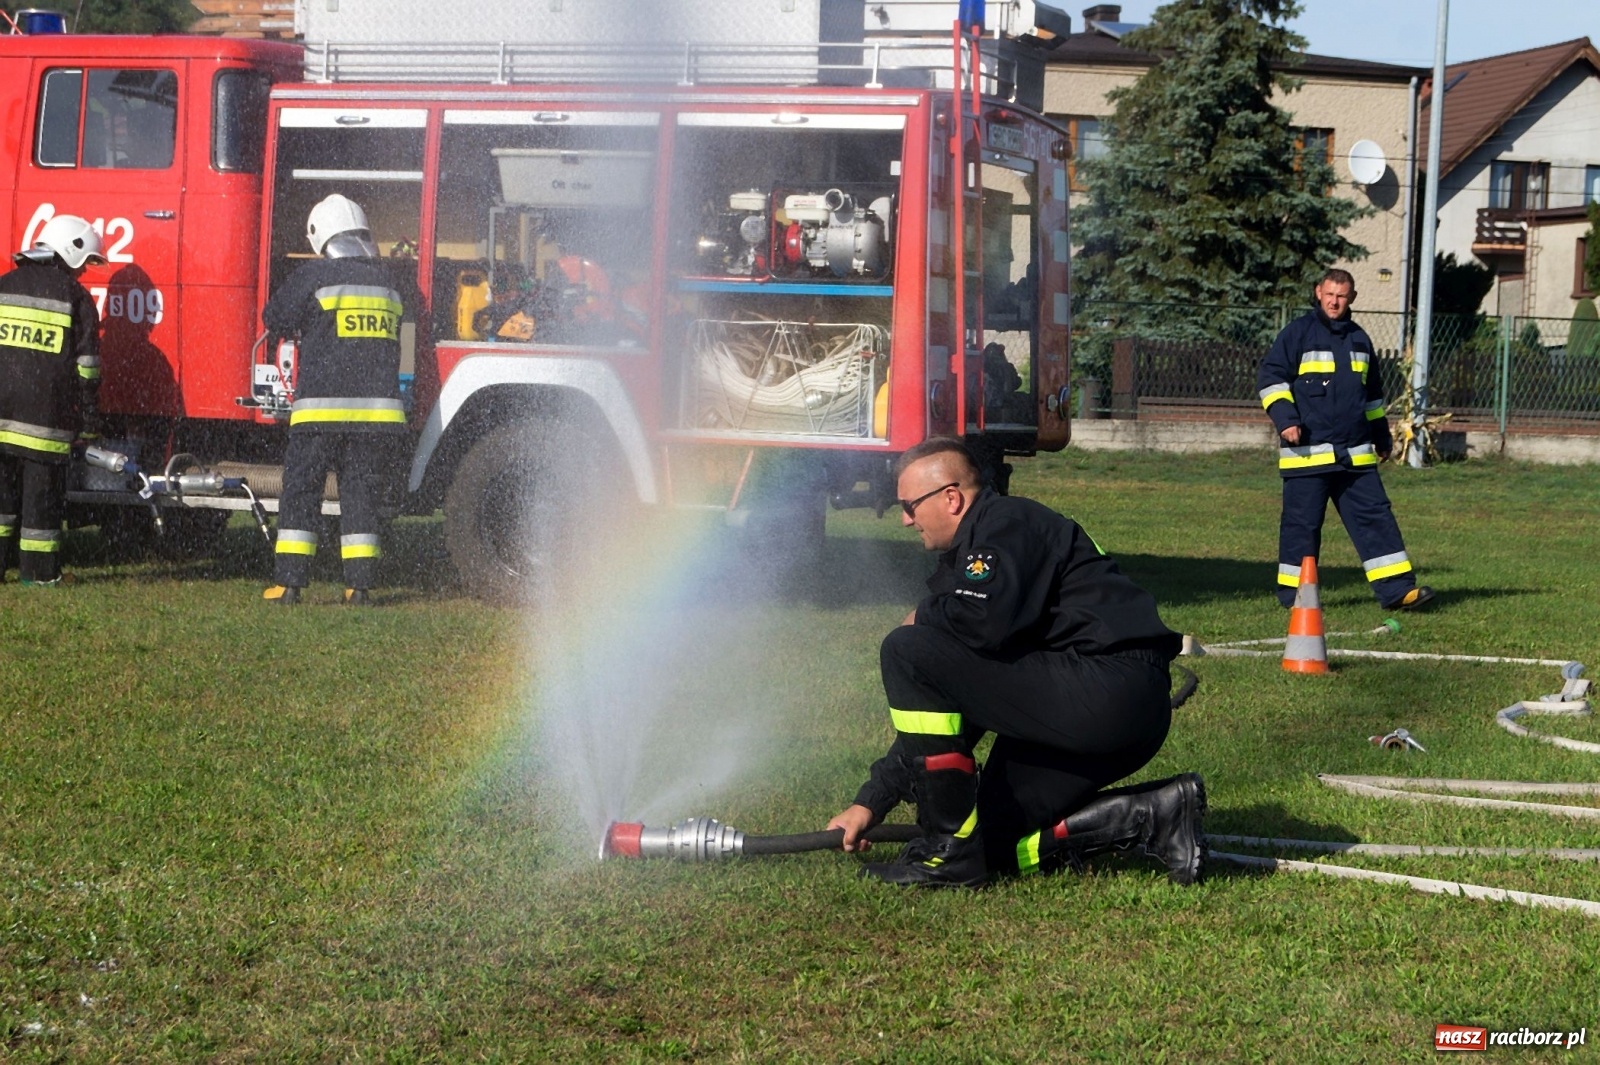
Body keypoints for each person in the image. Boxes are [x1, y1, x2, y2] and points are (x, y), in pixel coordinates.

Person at [825, 438, 1205, 889]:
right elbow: (955, 698)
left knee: (906, 648)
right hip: (1106, 706)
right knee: (989, 844)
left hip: (1104, 688)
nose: (905, 519)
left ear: (951, 498)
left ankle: (948, 852)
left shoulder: (1003, 525)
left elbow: (975, 629)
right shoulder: (984, 546)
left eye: (909, 505)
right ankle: (1152, 814)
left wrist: (922, 617)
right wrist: (871, 802)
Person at [1257, 269, 1434, 611]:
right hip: (1307, 456)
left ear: (1352, 297)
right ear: (1318, 293)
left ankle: (1398, 591)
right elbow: (1271, 379)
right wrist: (1286, 420)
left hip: (1355, 457)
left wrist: (1381, 436)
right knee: (1301, 529)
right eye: (1329, 294)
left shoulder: (1360, 340)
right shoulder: (1297, 334)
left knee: (1377, 520)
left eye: (1341, 296)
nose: (1335, 302)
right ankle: (1296, 598)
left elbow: (1372, 397)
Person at [261, 194, 406, 606]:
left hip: (320, 413)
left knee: (302, 492)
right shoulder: (388, 283)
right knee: (360, 496)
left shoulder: (314, 276)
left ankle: (289, 584)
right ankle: (359, 587)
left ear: (319, 235)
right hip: (376, 417)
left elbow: (274, 318)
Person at [0, 215, 104, 586]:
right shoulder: (75, 297)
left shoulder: (4, 284)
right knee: (40, 505)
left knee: (1, 501)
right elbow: (87, 369)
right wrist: (89, 424)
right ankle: (39, 575)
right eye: (85, 263)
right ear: (70, 252)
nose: (84, 272)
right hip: (45, 425)